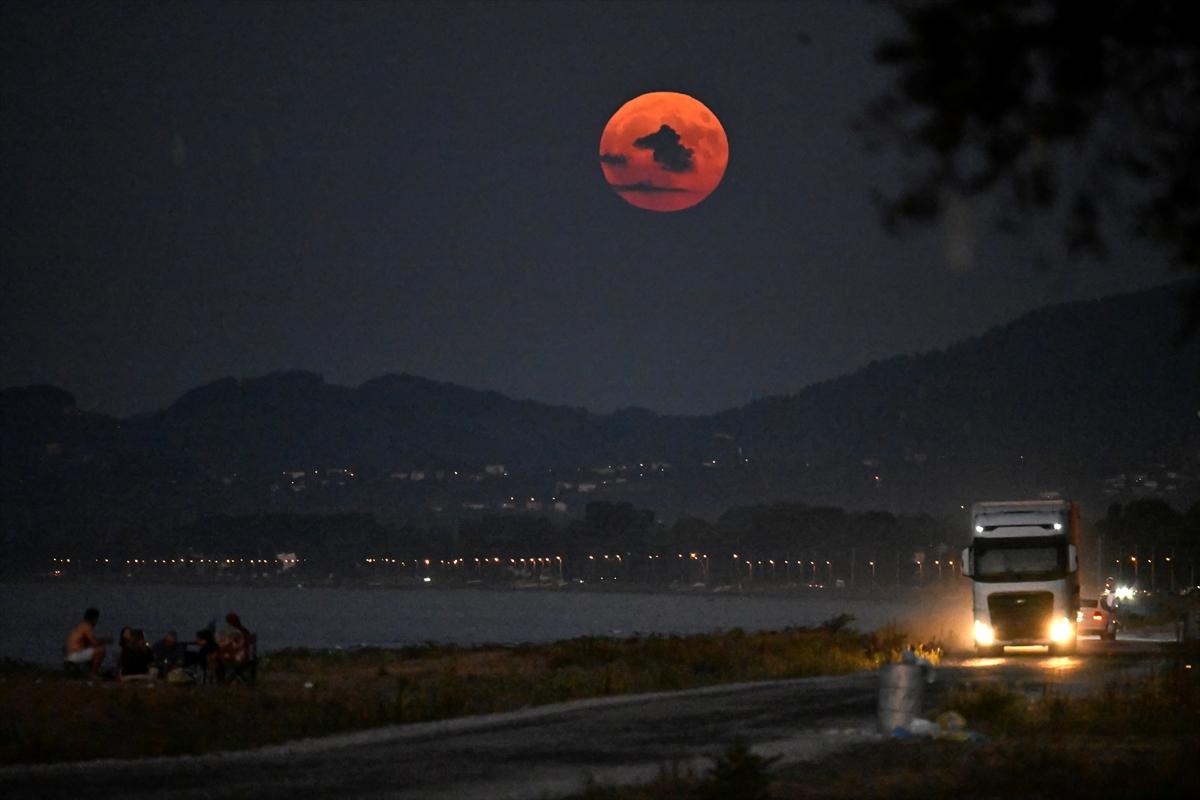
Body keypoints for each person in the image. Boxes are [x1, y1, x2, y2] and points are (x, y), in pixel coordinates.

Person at [64, 607, 109, 677]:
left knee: (92, 649)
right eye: (96, 619)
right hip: (74, 655)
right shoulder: (86, 627)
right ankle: (93, 674)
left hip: (69, 655)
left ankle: (85, 670)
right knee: (101, 650)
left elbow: (89, 642)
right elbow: (94, 642)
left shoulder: (81, 626)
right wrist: (105, 640)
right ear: (94, 619)